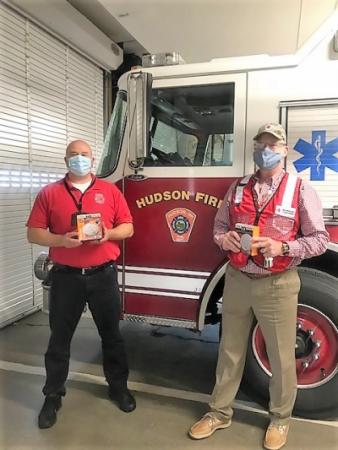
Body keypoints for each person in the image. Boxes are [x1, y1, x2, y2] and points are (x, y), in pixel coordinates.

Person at [188, 124, 329, 450]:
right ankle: (219, 413)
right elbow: (219, 226)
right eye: (260, 145)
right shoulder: (237, 188)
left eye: (272, 145)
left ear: (283, 151)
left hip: (277, 284)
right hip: (237, 279)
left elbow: (320, 239)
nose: (265, 150)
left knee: (281, 357)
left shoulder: (299, 189)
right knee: (230, 352)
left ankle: (280, 419)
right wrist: (225, 239)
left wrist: (284, 249)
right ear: (253, 149)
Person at [26, 140, 136, 429]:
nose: (79, 160)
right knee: (59, 340)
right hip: (66, 278)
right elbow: (33, 233)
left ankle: (118, 387)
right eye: (74, 155)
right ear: (65, 160)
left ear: (92, 159)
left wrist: (108, 234)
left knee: (112, 336)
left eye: (84, 155)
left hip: (103, 276)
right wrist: (60, 240)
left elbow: (129, 227)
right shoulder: (49, 193)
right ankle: (52, 395)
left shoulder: (110, 191)